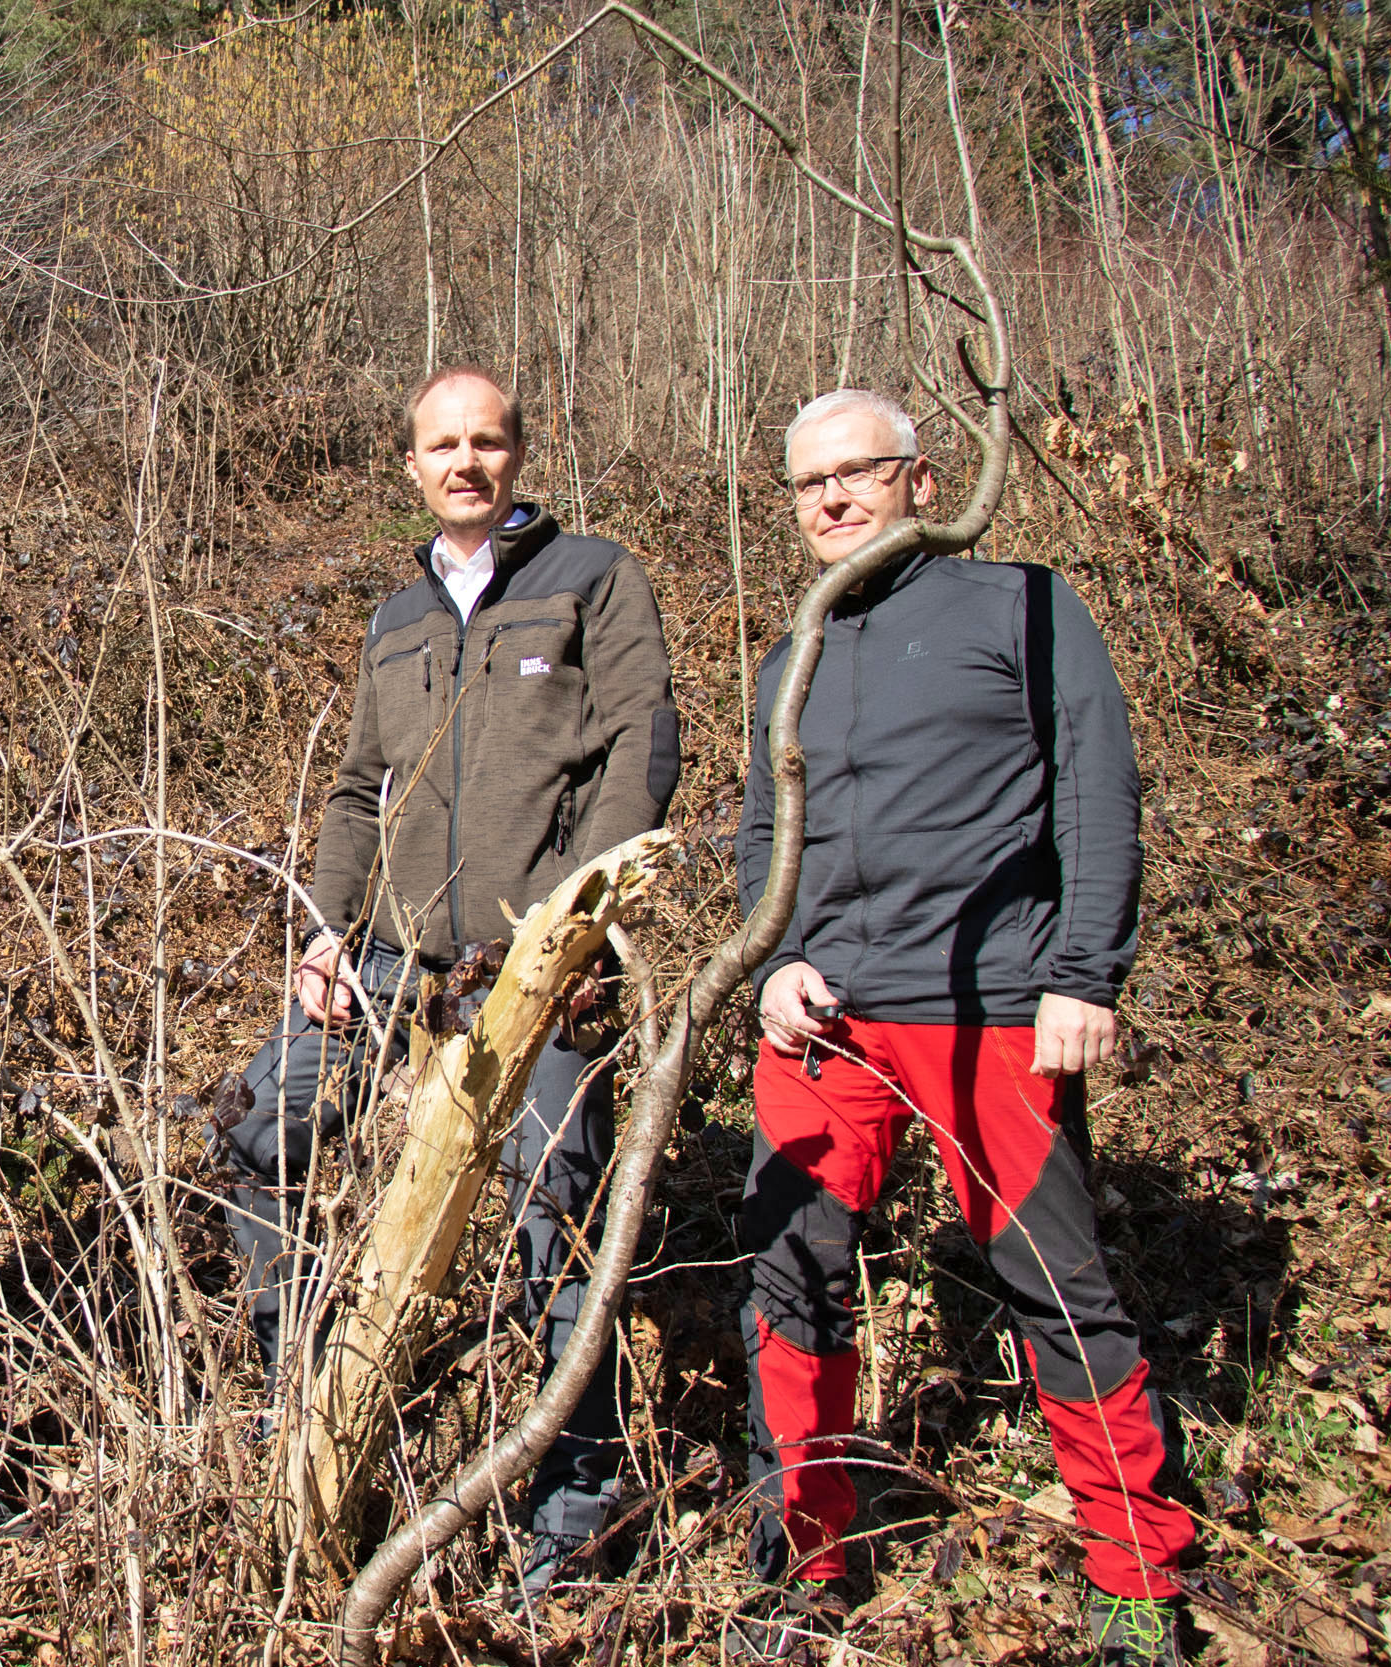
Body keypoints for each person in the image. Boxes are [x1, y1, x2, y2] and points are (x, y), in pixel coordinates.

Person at [731, 389, 1194, 1664]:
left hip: (990, 1005)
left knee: (1054, 1284)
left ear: (921, 480)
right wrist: (769, 960)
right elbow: (760, 832)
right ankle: (805, 1561)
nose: (831, 498)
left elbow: (1097, 783)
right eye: (807, 483)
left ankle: (1135, 1572)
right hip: (825, 1019)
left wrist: (1084, 973)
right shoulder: (797, 647)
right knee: (792, 1277)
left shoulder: (1021, 604)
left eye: (857, 473)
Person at [220, 366, 680, 1594]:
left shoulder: (592, 576)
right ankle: (299, 1424)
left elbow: (644, 742)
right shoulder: (394, 618)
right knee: (260, 1134)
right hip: (388, 954)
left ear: (518, 454)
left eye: (486, 441)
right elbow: (355, 789)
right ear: (411, 464)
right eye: (442, 444)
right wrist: (326, 930)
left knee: (556, 1201)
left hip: (532, 961)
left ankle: (572, 1502)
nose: (464, 461)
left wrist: (569, 922)